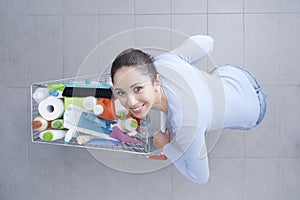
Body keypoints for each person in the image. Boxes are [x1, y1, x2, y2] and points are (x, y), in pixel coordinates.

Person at [110, 35, 267, 184]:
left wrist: (165, 146)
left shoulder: (186, 124)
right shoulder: (165, 61)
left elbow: (200, 177)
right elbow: (207, 42)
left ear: (156, 81)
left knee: (202, 120)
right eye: (122, 92)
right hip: (236, 75)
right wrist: (179, 66)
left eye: (137, 88)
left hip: (255, 111)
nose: (130, 102)